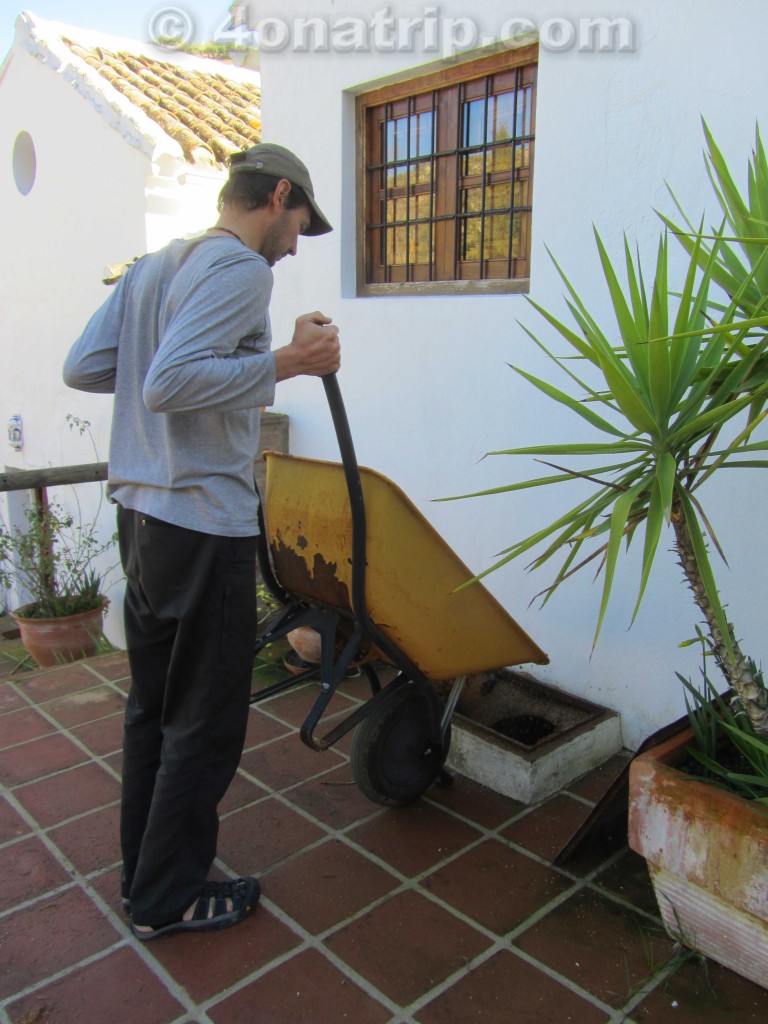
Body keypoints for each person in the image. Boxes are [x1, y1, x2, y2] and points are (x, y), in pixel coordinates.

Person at [63, 143, 340, 940]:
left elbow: (87, 367)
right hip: (199, 524)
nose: (293, 246)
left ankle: (145, 876)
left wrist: (175, 359)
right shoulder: (240, 270)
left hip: (142, 521)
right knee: (206, 721)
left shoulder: (153, 267)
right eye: (297, 225)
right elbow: (169, 383)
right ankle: (171, 897)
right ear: (277, 195)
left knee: (153, 711)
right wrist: (287, 359)